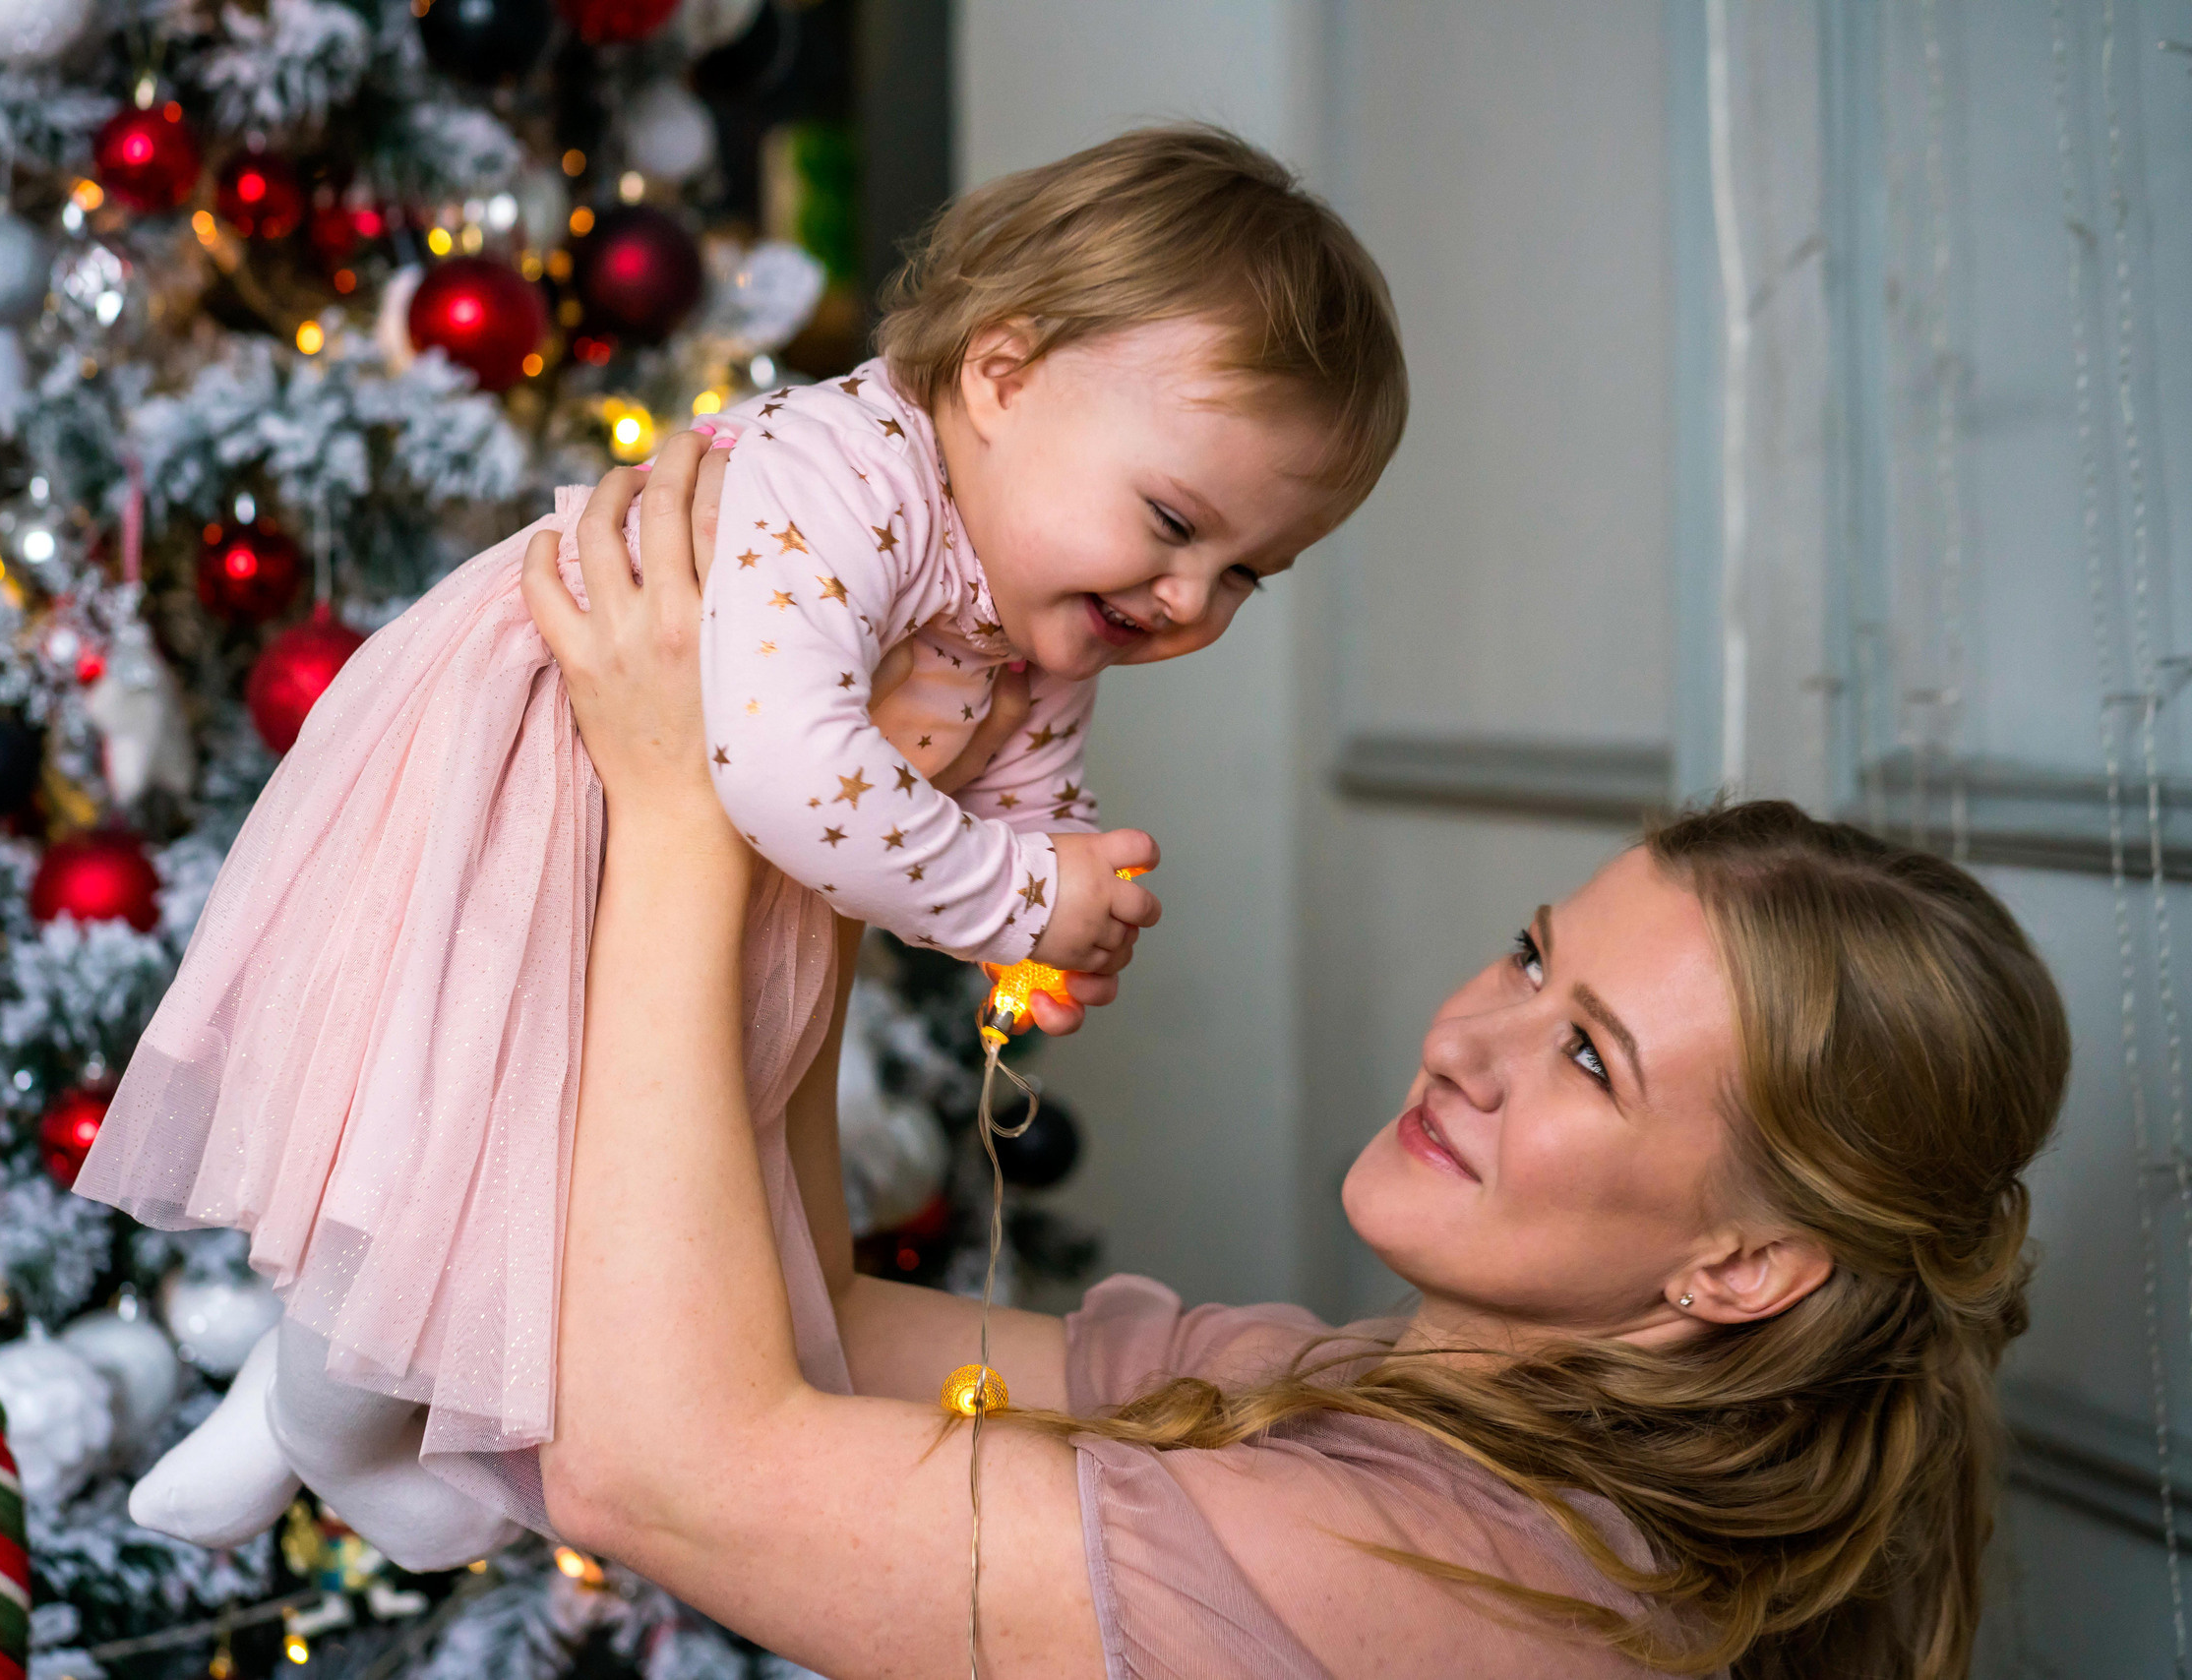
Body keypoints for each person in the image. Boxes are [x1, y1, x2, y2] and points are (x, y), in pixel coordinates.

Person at [75, 123, 1408, 1566]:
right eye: (1174, 523)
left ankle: (302, 1415)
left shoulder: (1049, 598)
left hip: (681, 873)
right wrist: (1022, 896)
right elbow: (782, 769)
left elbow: (1022, 799)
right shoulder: (846, 474)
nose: (1190, 598)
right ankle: (314, 1425)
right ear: (1003, 376)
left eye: (1245, 577)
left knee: (586, 1202)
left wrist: (1057, 914)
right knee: (457, 1142)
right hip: (539, 812)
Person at [526, 437, 2069, 1679]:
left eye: (1591, 1060)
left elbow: (657, 1471)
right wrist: (828, 838)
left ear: (1740, 1269)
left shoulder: (1458, 1583)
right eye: (1534, 960)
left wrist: (682, 816)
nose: (1470, 1042)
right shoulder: (1348, 1394)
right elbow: (814, 1331)